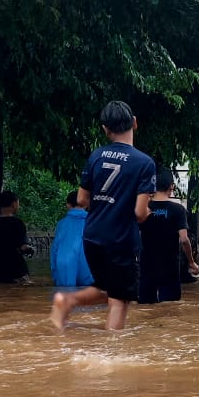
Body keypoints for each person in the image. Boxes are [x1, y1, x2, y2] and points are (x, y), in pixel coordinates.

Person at [50, 100, 156, 331]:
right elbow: (139, 213)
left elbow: (81, 200)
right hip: (120, 239)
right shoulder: (144, 163)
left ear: (105, 129)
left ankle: (67, 301)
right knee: (120, 298)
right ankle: (110, 353)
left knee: (108, 288)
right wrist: (147, 212)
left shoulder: (96, 156)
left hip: (92, 236)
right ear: (135, 123)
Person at [138, 169, 199, 304]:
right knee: (170, 307)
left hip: (146, 264)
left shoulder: (143, 208)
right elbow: (184, 239)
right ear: (172, 186)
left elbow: (134, 234)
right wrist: (191, 261)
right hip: (169, 265)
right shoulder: (178, 210)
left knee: (145, 306)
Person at [0, 191, 33, 284]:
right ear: (14, 204)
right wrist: (30, 249)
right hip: (17, 272)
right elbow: (23, 247)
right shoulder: (18, 223)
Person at [49, 190, 94, 288]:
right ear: (86, 204)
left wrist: (55, 273)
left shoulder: (62, 224)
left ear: (68, 205)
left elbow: (54, 249)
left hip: (65, 266)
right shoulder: (93, 223)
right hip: (88, 266)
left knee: (66, 297)